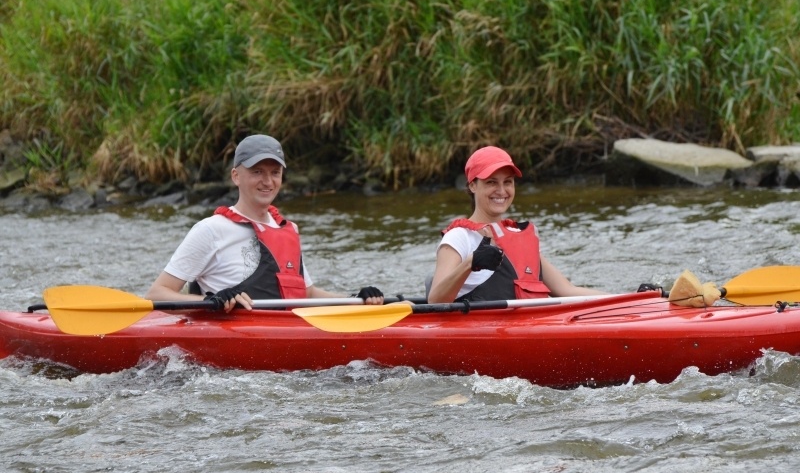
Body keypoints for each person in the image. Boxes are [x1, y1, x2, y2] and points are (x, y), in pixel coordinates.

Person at [145, 134, 384, 312]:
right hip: (234, 338)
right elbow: (156, 295)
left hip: (286, 333)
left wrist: (355, 299)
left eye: (275, 172)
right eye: (257, 172)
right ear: (236, 176)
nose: (267, 181)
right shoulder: (211, 229)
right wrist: (209, 302)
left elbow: (307, 293)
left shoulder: (289, 230)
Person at [427, 146, 607, 304]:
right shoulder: (459, 237)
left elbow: (567, 291)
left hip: (529, 326)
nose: (501, 191)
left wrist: (621, 299)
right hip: (481, 328)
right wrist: (471, 263)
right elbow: (435, 300)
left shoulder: (519, 237)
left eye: (508, 182)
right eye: (491, 182)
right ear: (473, 185)